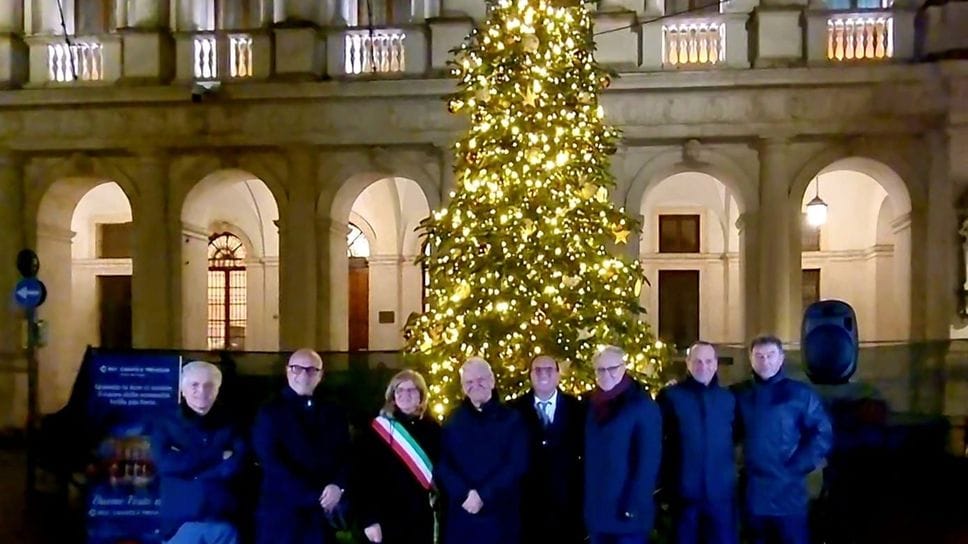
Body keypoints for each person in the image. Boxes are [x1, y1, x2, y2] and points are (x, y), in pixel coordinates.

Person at [734, 335, 833, 544]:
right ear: (751, 359)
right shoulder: (740, 394)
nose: (765, 361)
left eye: (770, 355)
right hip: (753, 494)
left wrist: (798, 465)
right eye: (759, 356)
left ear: (781, 358)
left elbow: (822, 433)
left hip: (789, 495)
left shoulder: (800, 394)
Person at [251, 349, 351, 544]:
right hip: (282, 515)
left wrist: (338, 485)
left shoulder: (334, 412)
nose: (304, 375)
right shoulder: (270, 412)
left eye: (312, 370)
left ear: (320, 375)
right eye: (297, 369)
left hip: (320, 519)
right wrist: (315, 496)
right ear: (288, 371)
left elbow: (346, 454)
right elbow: (271, 461)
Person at [151, 360, 246, 544]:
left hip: (223, 519)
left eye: (209, 385)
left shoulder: (234, 423)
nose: (201, 391)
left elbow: (237, 465)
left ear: (217, 390)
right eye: (194, 385)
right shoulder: (164, 423)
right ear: (182, 390)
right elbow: (165, 464)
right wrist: (217, 456)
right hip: (179, 521)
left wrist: (190, 467)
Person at [436, 357, 528, 544]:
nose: (475, 385)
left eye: (481, 380)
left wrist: (483, 495)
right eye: (469, 382)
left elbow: (517, 464)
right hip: (461, 518)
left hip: (500, 517)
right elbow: (442, 463)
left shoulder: (512, 419)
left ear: (492, 381)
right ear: (462, 387)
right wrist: (464, 494)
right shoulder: (452, 419)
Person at [657, 341, 738, 544]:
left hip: (721, 496)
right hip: (683, 495)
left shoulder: (728, 398)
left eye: (708, 361)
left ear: (716, 363)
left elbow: (736, 436)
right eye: (698, 361)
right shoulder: (670, 397)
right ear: (688, 363)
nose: (704, 366)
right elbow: (658, 443)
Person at [585, 346, 662, 544]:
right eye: (600, 370)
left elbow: (648, 462)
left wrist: (633, 506)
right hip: (598, 513)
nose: (606, 375)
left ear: (624, 368)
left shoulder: (642, 406)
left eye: (612, 368)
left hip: (627, 514)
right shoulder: (592, 406)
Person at [356, 369, 441, 544]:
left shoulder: (434, 430)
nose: (405, 395)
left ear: (421, 395)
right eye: (399, 390)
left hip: (419, 519)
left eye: (411, 390)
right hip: (384, 519)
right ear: (392, 395)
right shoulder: (377, 429)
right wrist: (369, 519)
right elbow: (361, 477)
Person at [509, 354, 585, 544]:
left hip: (568, 508)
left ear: (558, 375)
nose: (543, 374)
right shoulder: (513, 411)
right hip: (527, 509)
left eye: (549, 369)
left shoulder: (578, 409)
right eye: (538, 370)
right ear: (530, 375)